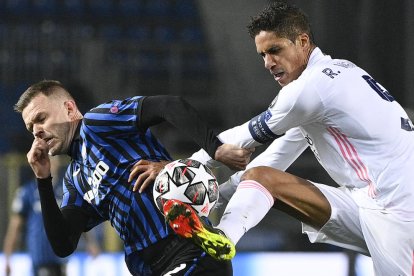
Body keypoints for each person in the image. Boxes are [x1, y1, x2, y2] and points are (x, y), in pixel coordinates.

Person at [160, 2, 414, 275]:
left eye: (275, 50)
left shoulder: (310, 90)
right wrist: (215, 194)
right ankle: (220, 240)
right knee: (261, 177)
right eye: (263, 55)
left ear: (302, 42)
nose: (268, 63)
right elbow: (277, 156)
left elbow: (239, 138)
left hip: (401, 211)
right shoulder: (337, 74)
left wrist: (174, 171)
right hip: (366, 202)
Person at [13, 80, 252, 276]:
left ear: (69, 109)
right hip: (148, 268)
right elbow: (63, 244)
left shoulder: (97, 124)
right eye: (30, 127)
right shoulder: (75, 181)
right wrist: (43, 179)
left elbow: (169, 105)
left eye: (41, 118)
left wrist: (215, 148)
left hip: (187, 249)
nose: (36, 131)